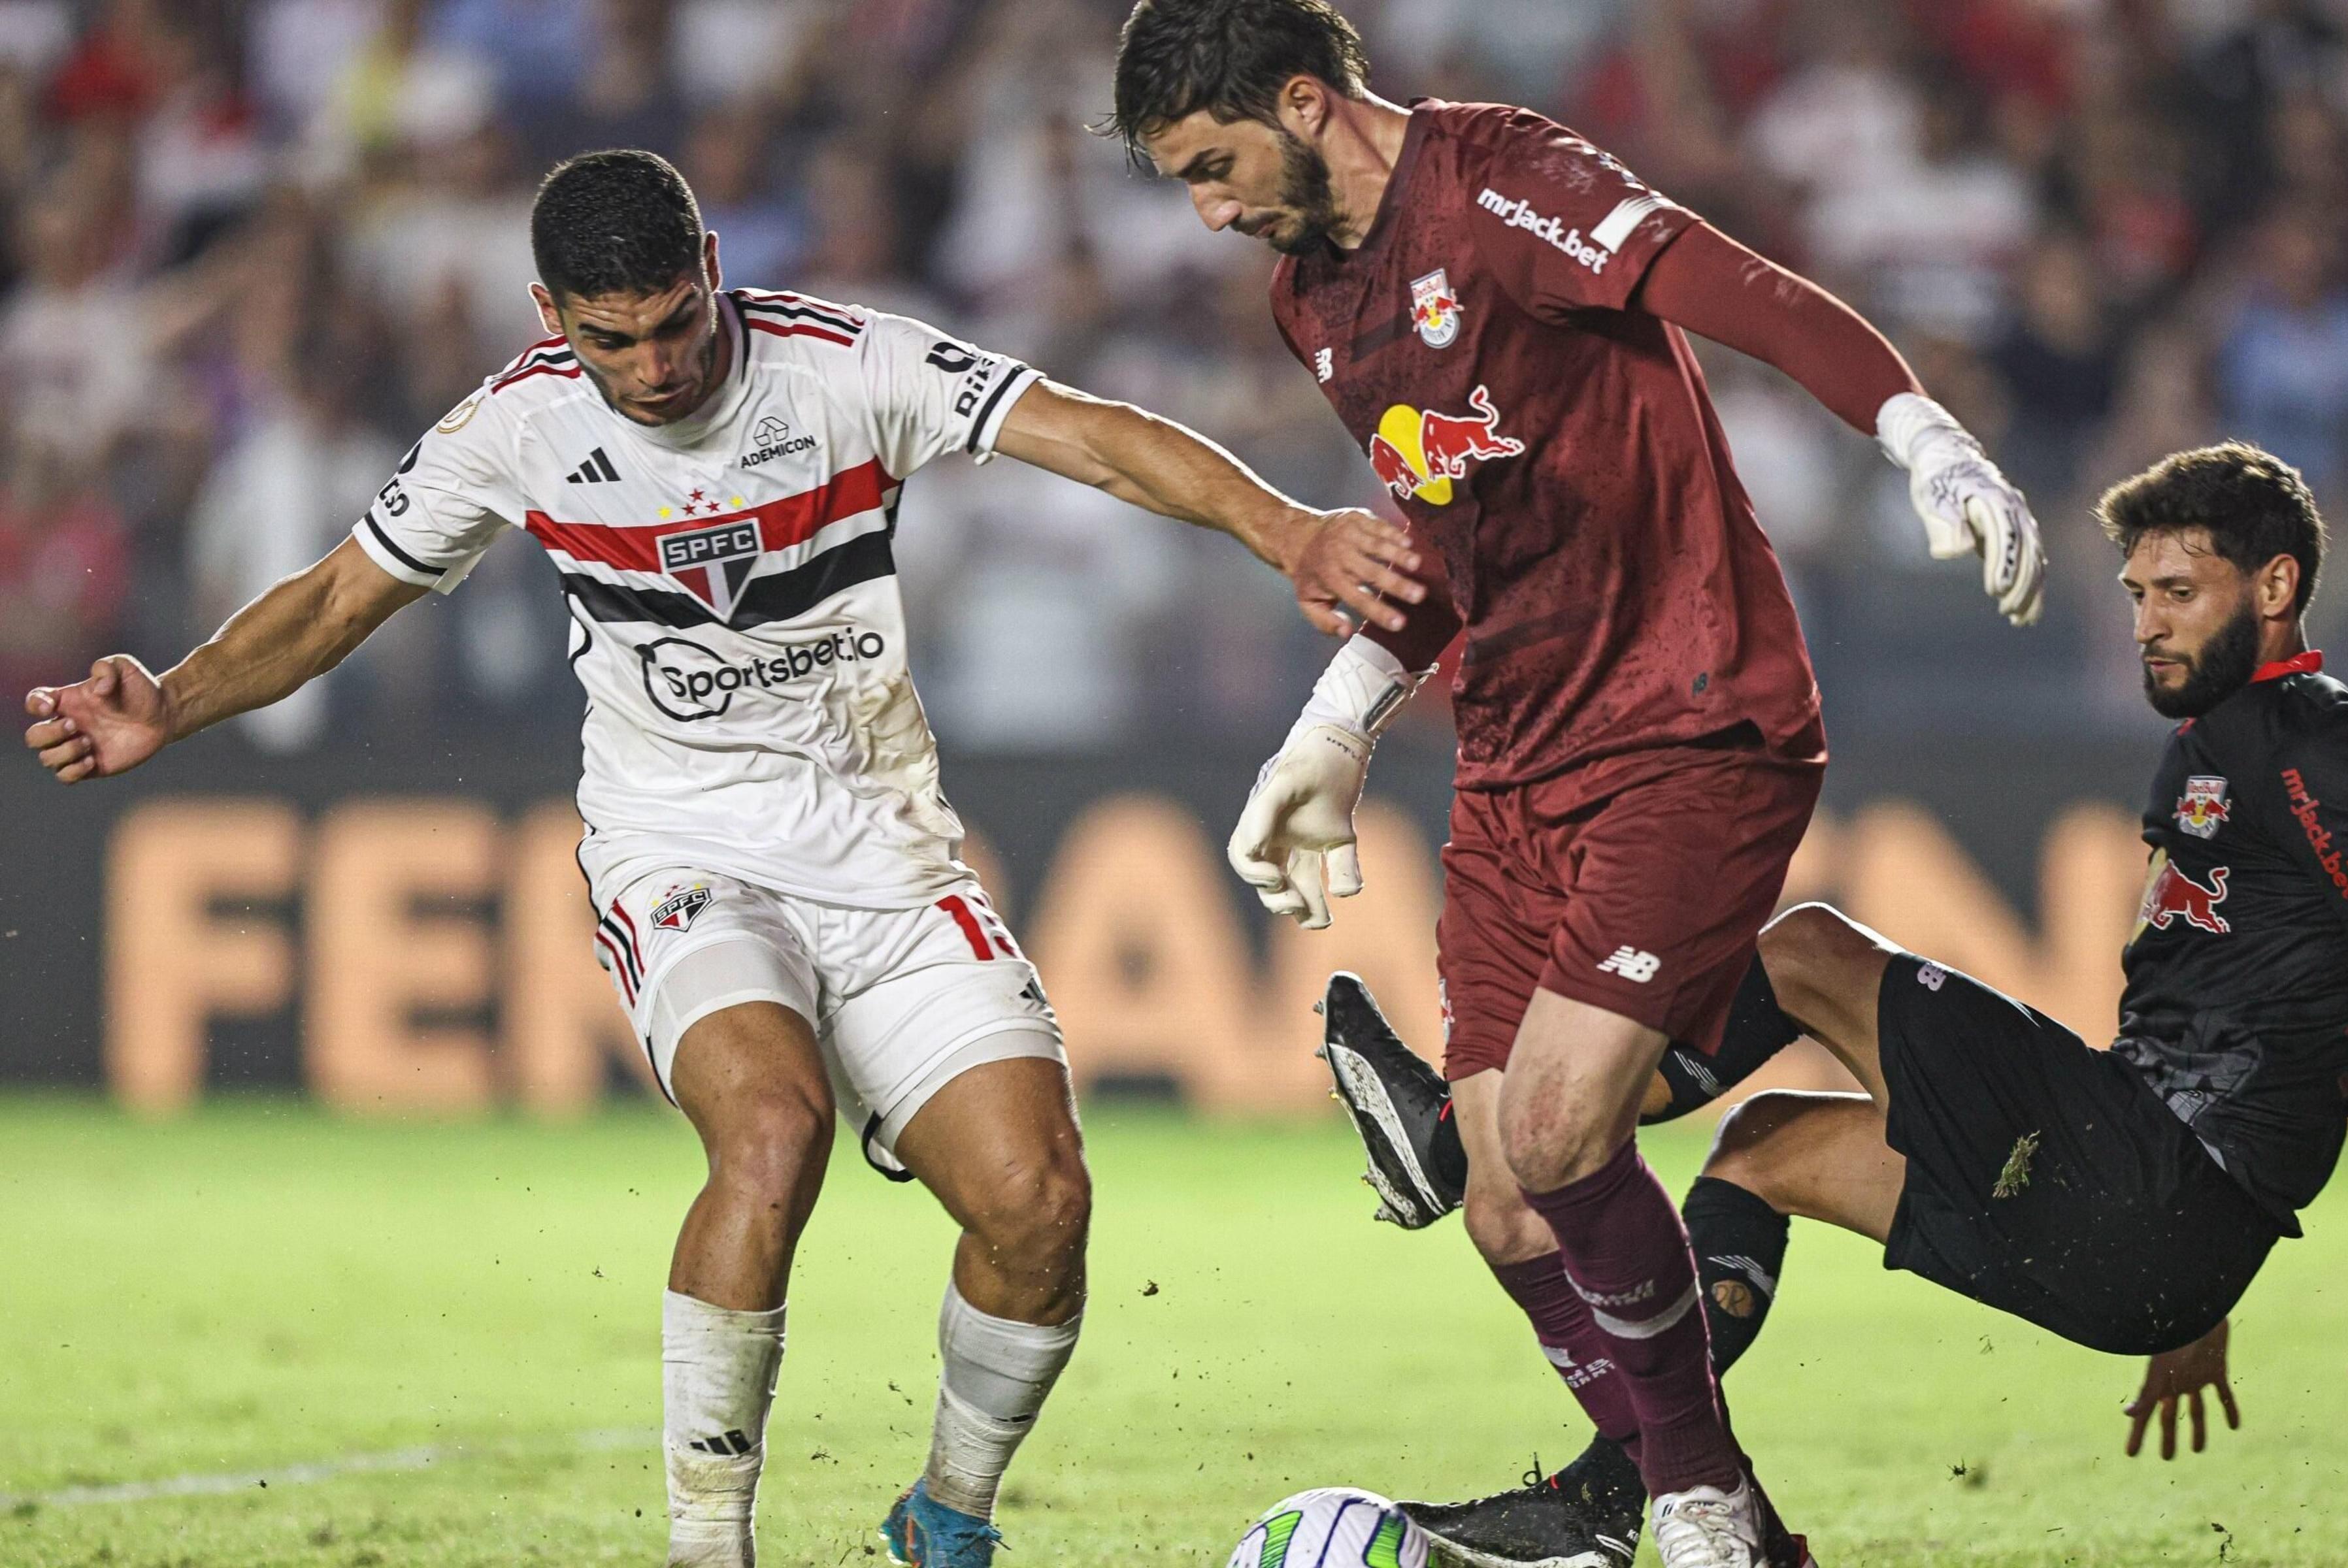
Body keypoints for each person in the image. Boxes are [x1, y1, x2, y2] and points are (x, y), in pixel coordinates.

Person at [19, 150, 1425, 1568]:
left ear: (710, 263)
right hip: (680, 847)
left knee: (1039, 1203)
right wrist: (178, 702)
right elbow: (337, 595)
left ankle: (949, 1513)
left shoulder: (841, 364)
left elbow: (1093, 433)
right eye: (608, 337)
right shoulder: (515, 427)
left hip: (886, 851)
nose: (652, 367)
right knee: (771, 1133)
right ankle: (710, 1551)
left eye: (676, 321)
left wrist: (1287, 528)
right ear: (550, 314)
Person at [1102, 4, 2047, 1565]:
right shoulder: (1310, 300)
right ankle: (1742, 1530)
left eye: (1215, 167)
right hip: (1516, 761)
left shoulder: (1494, 181)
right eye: (1181, 186)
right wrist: (1335, 726)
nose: (1209, 212)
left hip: (1691, 721)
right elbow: (1445, 532)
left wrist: (1913, 427)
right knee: (1505, 1206)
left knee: (1549, 1134)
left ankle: (1688, 1504)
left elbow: (1732, 286)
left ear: (1302, 100)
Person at [1312, 444, 2348, 1556]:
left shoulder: (2323, 748)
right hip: (2155, 1231)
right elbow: (2260, 1016)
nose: (2146, 624)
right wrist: (2188, 1286)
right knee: (1761, 1150)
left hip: (2164, 1184)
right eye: (2138, 593)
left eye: (2178, 593)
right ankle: (1612, 1501)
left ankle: (1497, 1154)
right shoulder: (2217, 741)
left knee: (1808, 950)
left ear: (2278, 583)